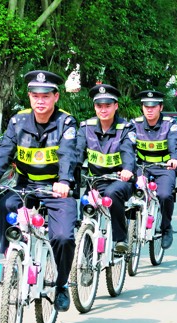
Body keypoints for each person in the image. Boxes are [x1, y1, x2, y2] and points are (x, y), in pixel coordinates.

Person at [0, 70, 78, 312]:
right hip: (27, 187)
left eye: (45, 96)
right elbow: (3, 151)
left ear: (56, 97)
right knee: (5, 206)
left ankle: (61, 284)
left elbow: (68, 155)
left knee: (63, 237)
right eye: (34, 96)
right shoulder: (17, 121)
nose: (39, 101)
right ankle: (9, 257)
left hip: (56, 190)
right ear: (29, 97)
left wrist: (64, 181)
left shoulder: (66, 123)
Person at [75, 84, 136, 253]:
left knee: (112, 194)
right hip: (95, 181)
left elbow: (128, 151)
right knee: (85, 207)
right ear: (94, 107)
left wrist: (128, 169)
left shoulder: (125, 128)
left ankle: (119, 239)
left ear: (116, 106)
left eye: (107, 106)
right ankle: (85, 252)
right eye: (99, 106)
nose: (103, 110)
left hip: (120, 180)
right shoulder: (86, 128)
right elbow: (77, 152)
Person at [130, 90, 177, 249]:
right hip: (142, 167)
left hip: (164, 167)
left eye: (153, 106)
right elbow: (127, 146)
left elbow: (173, 142)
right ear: (142, 108)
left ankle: (166, 228)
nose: (149, 110)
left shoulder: (169, 123)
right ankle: (127, 229)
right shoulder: (134, 124)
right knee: (128, 193)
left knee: (165, 195)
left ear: (160, 107)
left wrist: (173, 158)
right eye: (146, 106)